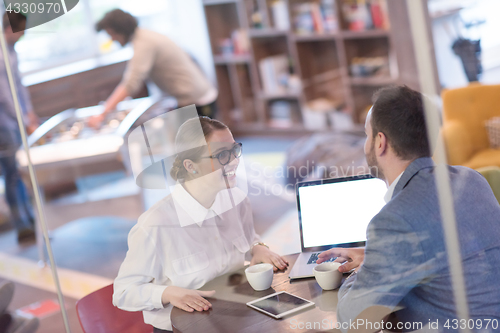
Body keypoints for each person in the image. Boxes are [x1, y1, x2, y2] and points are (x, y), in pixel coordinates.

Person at [317, 85, 500, 332]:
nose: (365, 145)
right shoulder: (472, 180)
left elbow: (354, 321)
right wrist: (379, 256)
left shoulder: (393, 220)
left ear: (380, 142)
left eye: (367, 135)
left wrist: (367, 268)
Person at [113, 116, 288, 332]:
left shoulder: (237, 201)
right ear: (190, 165)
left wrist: (258, 249)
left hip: (234, 314)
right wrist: (167, 293)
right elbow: (123, 292)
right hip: (182, 327)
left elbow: (248, 239)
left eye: (235, 150)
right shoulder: (156, 225)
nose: (234, 161)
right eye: (223, 155)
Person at [89, 9, 218, 128]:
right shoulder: (145, 36)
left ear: (121, 29)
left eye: (112, 33)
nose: (112, 39)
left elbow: (130, 84)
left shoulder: (144, 43)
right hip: (193, 98)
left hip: (197, 101)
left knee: (200, 150)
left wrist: (102, 114)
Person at [0, 13, 39, 243]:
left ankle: (29, 218)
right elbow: (5, 96)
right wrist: (23, 119)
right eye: (22, 29)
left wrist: (29, 111)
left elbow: (19, 84)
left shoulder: (11, 50)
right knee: (12, 174)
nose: (24, 34)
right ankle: (22, 225)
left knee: (18, 171)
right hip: (4, 125)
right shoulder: (1, 53)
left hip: (13, 122)